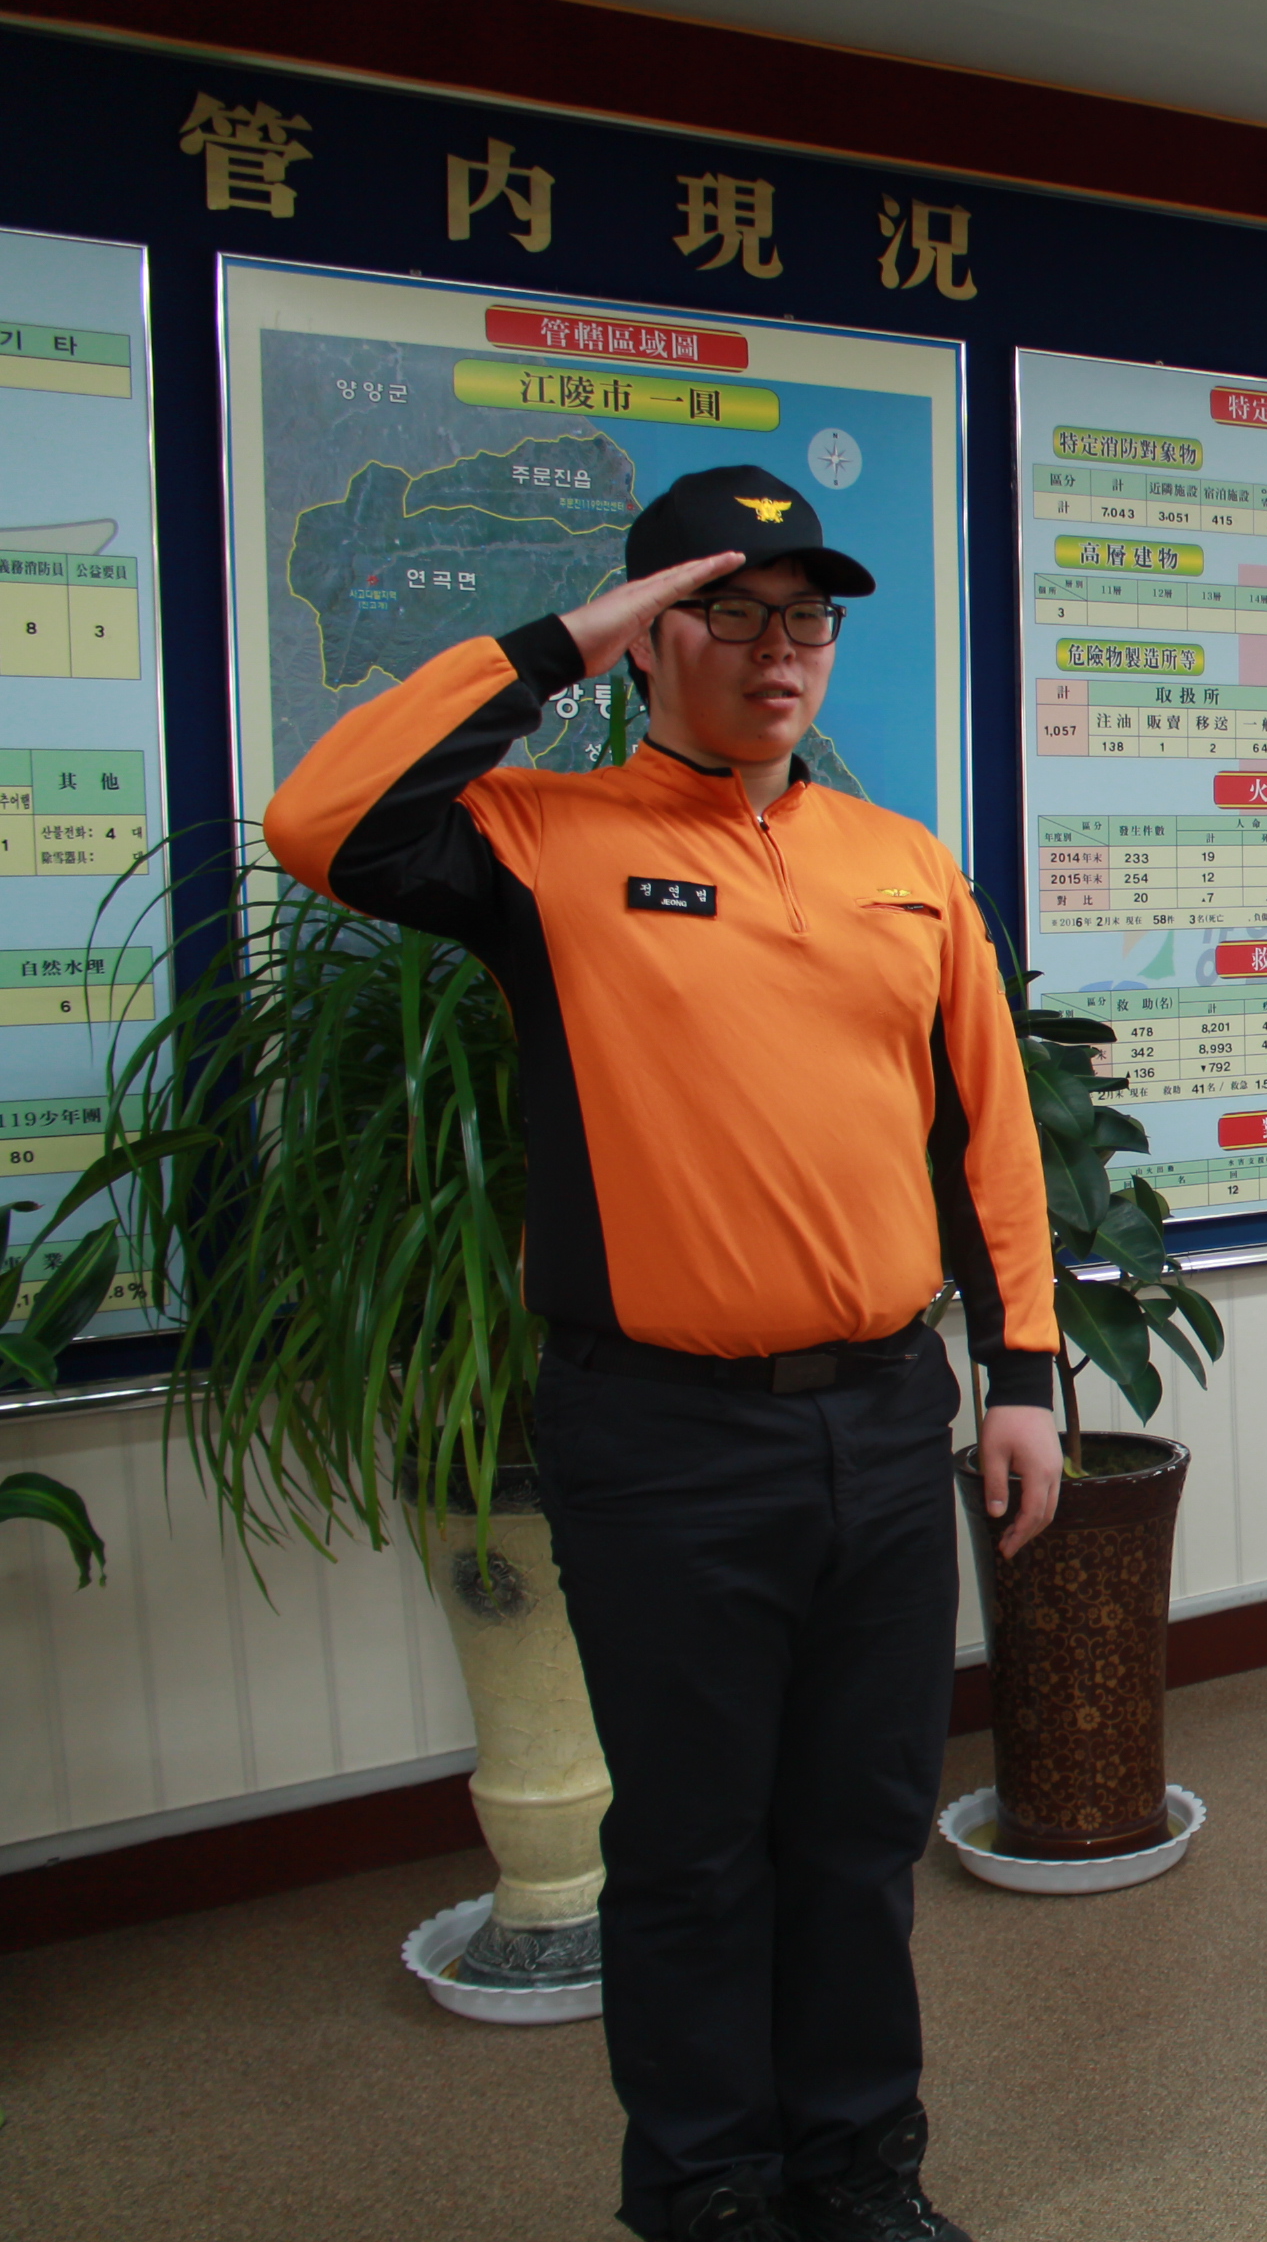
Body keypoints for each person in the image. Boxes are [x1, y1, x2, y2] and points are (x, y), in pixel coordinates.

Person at [268, 464, 1062, 2242]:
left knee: (860, 1834)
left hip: (882, 1418)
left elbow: (987, 1133)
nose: (780, 652)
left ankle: (860, 2173)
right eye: (732, 613)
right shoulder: (545, 844)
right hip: (661, 1440)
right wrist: (566, 637)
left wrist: (1021, 1378)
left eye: (808, 620)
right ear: (652, 637)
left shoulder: (902, 864)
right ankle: (706, 2193)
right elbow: (322, 820)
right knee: (695, 1848)